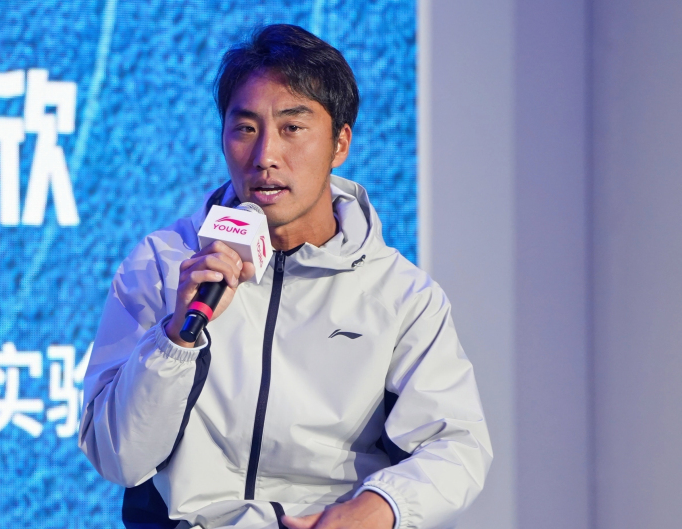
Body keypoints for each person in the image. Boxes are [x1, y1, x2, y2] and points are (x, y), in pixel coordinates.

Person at [79, 24, 492, 529]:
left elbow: (455, 445)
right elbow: (119, 458)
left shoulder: (401, 295)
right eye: (245, 129)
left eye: (292, 128)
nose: (265, 157)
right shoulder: (163, 264)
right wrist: (176, 338)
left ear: (340, 143)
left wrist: (377, 508)